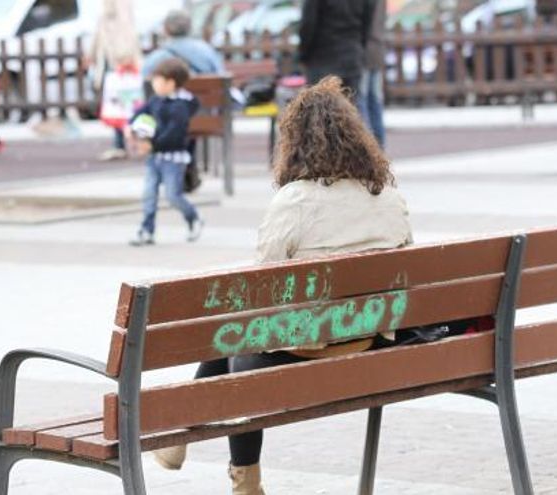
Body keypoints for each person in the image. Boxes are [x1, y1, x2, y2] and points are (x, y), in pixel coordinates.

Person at [152, 76, 412, 494]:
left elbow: (264, 283)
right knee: (235, 335)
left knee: (234, 339)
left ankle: (224, 464)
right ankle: (180, 433)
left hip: (307, 342)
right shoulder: (389, 197)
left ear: (295, 144)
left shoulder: (294, 201)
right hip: (368, 337)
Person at [126, 58, 204, 247]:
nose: (153, 84)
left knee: (173, 196)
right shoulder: (156, 100)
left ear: (170, 83)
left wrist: (153, 145)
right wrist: (130, 126)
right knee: (149, 193)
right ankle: (146, 230)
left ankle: (193, 217)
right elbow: (140, 113)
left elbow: (175, 133)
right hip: (155, 158)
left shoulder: (180, 106)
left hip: (173, 159)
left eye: (157, 80)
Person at [88, 0, 143, 161]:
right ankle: (124, 142)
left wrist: (124, 56)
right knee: (121, 104)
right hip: (113, 59)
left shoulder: (118, 6)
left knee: (125, 104)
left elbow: (124, 29)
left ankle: (127, 143)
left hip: (119, 60)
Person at [299, 0, 376, 94]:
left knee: (318, 104)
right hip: (352, 56)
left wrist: (303, 54)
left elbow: (308, 24)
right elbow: (367, 26)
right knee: (349, 104)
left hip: (322, 58)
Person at [141, 10, 225, 77]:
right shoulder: (207, 50)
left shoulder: (156, 57)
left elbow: (145, 79)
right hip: (208, 98)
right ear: (190, 27)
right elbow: (220, 74)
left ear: (166, 29)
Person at [359, 0, 387, 148]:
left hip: (364, 51)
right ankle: (379, 144)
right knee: (374, 99)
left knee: (361, 99)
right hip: (378, 50)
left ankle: (368, 145)